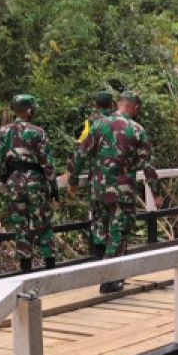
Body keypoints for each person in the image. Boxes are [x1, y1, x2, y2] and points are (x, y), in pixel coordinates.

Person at [69, 91, 158, 294]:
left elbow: (80, 153)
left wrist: (74, 180)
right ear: (134, 107)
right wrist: (156, 192)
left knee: (101, 230)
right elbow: (148, 166)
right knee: (119, 231)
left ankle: (105, 271)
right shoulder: (137, 130)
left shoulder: (99, 125)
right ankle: (109, 280)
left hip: (99, 189)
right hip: (122, 190)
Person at [0, 94, 58, 274]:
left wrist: (6, 178)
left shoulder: (3, 132)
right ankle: (50, 267)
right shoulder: (38, 132)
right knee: (43, 223)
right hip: (35, 182)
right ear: (29, 110)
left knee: (20, 225)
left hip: (14, 182)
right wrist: (52, 184)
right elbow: (47, 162)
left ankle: (26, 269)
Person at [70, 91, 116, 259]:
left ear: (96, 105)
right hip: (122, 183)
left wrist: (73, 178)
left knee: (99, 224)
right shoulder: (122, 123)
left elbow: (81, 151)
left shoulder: (91, 123)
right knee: (117, 225)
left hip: (99, 183)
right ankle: (117, 267)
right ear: (112, 105)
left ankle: (100, 263)